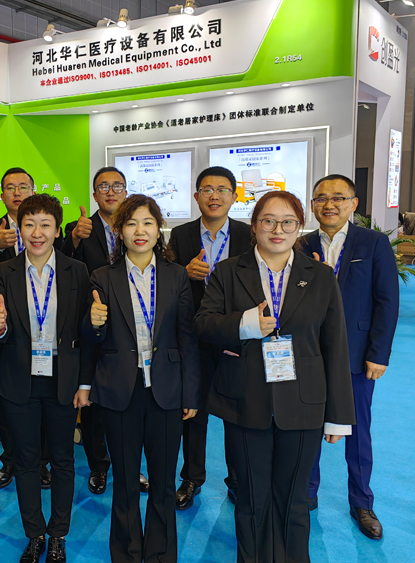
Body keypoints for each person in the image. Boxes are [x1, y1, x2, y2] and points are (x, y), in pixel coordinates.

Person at [195, 190, 356, 563]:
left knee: (294, 499)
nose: (277, 229)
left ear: (299, 227)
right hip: (245, 402)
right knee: (251, 499)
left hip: (303, 404)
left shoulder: (320, 276)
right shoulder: (228, 272)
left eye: (287, 222)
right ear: (254, 226)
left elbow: (335, 345)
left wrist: (338, 415)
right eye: (268, 221)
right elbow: (203, 324)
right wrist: (246, 323)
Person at [80, 194, 201, 563]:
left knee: (163, 482)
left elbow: (187, 337)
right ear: (120, 231)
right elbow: (91, 339)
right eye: (131, 223)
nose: (140, 230)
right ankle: (127, 554)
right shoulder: (102, 277)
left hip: (166, 390)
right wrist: (93, 324)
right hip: (120, 391)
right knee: (126, 481)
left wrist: (191, 393)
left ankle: (161, 554)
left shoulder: (176, 275)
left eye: (147, 222)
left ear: (158, 229)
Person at [0, 194, 91, 563]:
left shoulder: (76, 271)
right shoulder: (5, 271)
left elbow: (85, 333)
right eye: (29, 224)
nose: (37, 232)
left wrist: (84, 383)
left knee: (63, 459)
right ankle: (34, 534)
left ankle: (58, 534)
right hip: (20, 379)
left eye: (45, 225)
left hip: (63, 379)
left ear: (57, 230)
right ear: (19, 228)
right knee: (26, 460)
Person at [303, 174, 400, 539]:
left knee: (358, 430)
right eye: (321, 198)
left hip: (357, 354)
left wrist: (379, 353)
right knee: (307, 424)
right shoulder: (301, 244)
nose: (329, 204)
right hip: (310, 353)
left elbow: (387, 301)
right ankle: (306, 494)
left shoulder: (373, 243)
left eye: (338, 198)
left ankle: (362, 502)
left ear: (353, 204)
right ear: (312, 205)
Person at [62, 166, 150, 495]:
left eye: (117, 186)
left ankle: (132, 466)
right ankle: (99, 466)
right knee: (94, 405)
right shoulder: (78, 227)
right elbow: (63, 265)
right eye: (103, 187)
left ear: (126, 191)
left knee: (132, 402)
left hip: (134, 326)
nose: (110, 192)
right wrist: (74, 238)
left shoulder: (137, 226)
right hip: (93, 321)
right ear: (94, 193)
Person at [169, 166, 251, 509]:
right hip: (195, 337)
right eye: (206, 190)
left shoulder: (248, 234)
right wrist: (184, 272)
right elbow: (167, 280)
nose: (214, 196)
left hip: (235, 335)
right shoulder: (181, 235)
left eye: (222, 190)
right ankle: (191, 478)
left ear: (234, 196)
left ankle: (238, 480)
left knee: (237, 413)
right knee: (194, 411)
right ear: (196, 196)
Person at [0, 167, 52, 490]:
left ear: (33, 190)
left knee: (45, 401)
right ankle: (9, 461)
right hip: (5, 333)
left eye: (24, 186)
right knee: (8, 404)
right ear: (2, 195)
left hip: (44, 332)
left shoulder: (49, 228)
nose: (17, 192)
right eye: (10, 187)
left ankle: (42, 463)